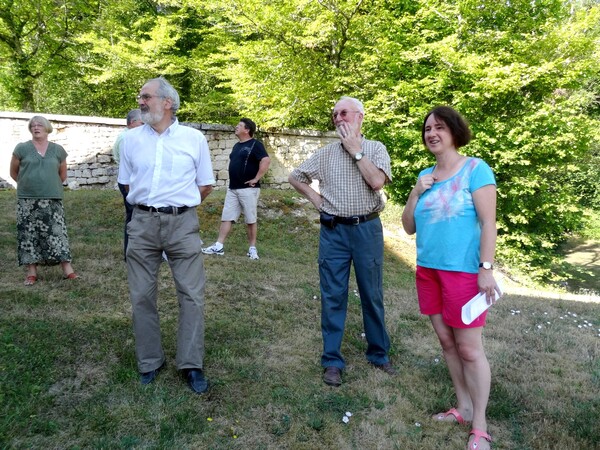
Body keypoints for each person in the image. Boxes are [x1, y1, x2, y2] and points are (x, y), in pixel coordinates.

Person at [401, 106, 499, 450]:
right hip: (428, 270)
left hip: (463, 273)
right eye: (427, 129)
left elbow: (489, 223)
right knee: (446, 343)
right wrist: (415, 192)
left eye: (439, 127)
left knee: (470, 350)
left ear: (454, 131)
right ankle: (464, 407)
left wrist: (485, 269)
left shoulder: (475, 169)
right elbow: (408, 226)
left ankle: (480, 426)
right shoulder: (425, 175)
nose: (432, 133)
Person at [288, 96, 396, 387]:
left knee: (371, 293)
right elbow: (295, 176)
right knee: (332, 295)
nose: (338, 118)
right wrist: (317, 200)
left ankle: (378, 353)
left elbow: (376, 182)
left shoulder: (376, 148)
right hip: (334, 231)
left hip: (367, 230)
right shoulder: (325, 154)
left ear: (360, 116)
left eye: (344, 113)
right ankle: (332, 361)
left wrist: (356, 151)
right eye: (335, 114)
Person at [117, 77, 215, 394]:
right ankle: (150, 361)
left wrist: (179, 208)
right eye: (140, 97)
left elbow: (205, 185)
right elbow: (126, 184)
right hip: (142, 223)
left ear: (167, 102)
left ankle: (191, 364)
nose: (141, 101)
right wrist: (147, 208)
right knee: (141, 295)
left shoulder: (193, 138)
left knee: (191, 294)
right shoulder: (131, 140)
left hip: (182, 224)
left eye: (146, 96)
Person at [10, 116, 79, 286]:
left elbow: (62, 175)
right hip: (27, 199)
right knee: (28, 235)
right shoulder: (21, 148)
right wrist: (29, 185)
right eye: (32, 125)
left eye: (39, 124)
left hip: (52, 198)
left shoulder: (58, 150)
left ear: (47, 128)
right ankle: (32, 273)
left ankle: (67, 270)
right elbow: (14, 172)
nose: (36, 127)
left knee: (57, 233)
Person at [202, 118, 270, 260]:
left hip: (248, 189)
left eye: (239, 125)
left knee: (250, 219)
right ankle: (218, 246)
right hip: (233, 188)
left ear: (247, 130)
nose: (236, 127)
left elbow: (265, 160)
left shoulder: (255, 144)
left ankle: (252, 249)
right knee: (227, 217)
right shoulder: (237, 146)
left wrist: (256, 178)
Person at [113, 109, 143, 259]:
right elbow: (128, 164)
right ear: (132, 123)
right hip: (129, 182)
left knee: (133, 216)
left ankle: (132, 253)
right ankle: (130, 254)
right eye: (141, 122)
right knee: (134, 216)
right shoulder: (127, 138)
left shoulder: (126, 136)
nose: (144, 126)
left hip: (129, 180)